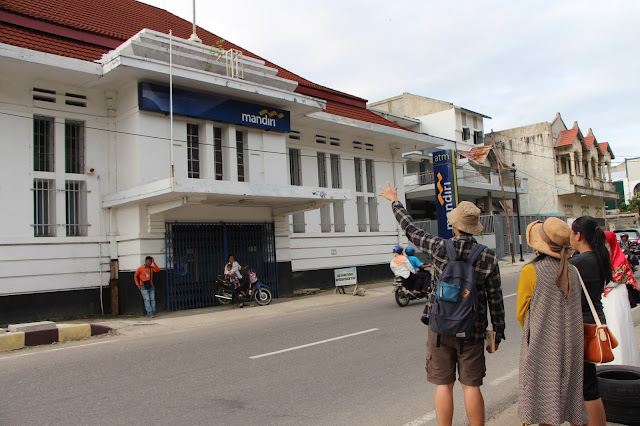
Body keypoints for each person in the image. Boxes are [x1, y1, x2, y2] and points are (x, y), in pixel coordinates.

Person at [379, 182, 505, 426]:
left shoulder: (439, 248)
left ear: (455, 226)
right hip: (473, 329)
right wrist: (497, 333)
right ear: (474, 229)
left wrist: (395, 201)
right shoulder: (488, 256)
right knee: (471, 387)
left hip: (440, 327)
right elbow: (495, 298)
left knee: (444, 385)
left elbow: (411, 229)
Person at [516, 218, 588, 426]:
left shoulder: (531, 271)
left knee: (541, 398)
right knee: (572, 393)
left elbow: (522, 312)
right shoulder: (573, 271)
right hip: (572, 343)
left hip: (543, 343)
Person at [569, 216, 611, 426]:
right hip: (595, 323)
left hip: (581, 328)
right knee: (588, 383)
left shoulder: (577, 263)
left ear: (578, 235)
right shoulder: (599, 257)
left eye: (571, 232)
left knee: (585, 387)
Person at [603, 231, 640, 367]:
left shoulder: (620, 258)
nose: (604, 246)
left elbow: (614, 280)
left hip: (616, 296)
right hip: (605, 297)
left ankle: (622, 361)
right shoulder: (600, 257)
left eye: (606, 242)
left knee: (619, 326)